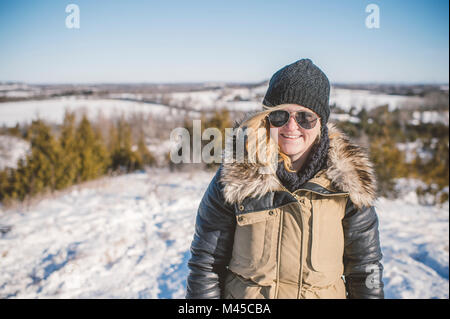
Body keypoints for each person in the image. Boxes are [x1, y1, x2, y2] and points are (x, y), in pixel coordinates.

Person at [185, 59, 384, 299]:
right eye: (280, 115)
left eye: (305, 117)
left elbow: (365, 270)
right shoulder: (236, 176)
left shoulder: (349, 184)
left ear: (321, 122)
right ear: (267, 118)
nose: (291, 126)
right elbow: (206, 264)